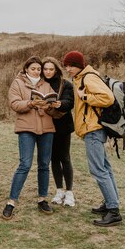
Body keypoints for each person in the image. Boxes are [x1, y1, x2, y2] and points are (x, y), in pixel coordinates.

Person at [62, 51, 122, 227]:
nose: (68, 69)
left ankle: (114, 212)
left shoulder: (88, 78)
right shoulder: (83, 76)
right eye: (66, 65)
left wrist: (85, 97)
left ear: (79, 65)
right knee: (105, 168)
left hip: (93, 129)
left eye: (70, 65)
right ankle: (110, 203)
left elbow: (108, 98)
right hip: (93, 129)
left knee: (98, 170)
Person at [1, 56, 56, 220]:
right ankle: (11, 202)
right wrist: (30, 104)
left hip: (46, 128)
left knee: (44, 164)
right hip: (26, 127)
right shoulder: (17, 83)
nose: (37, 71)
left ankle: (42, 199)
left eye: (39, 69)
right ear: (26, 69)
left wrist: (51, 105)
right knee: (25, 164)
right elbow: (14, 104)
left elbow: (51, 106)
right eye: (33, 68)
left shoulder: (46, 85)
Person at [42, 57, 76, 207]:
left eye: (51, 69)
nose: (48, 72)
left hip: (63, 126)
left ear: (56, 70)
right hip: (46, 126)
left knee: (65, 158)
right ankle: (59, 190)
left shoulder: (66, 84)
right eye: (45, 69)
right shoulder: (40, 84)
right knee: (53, 159)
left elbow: (70, 102)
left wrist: (59, 103)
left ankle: (69, 193)